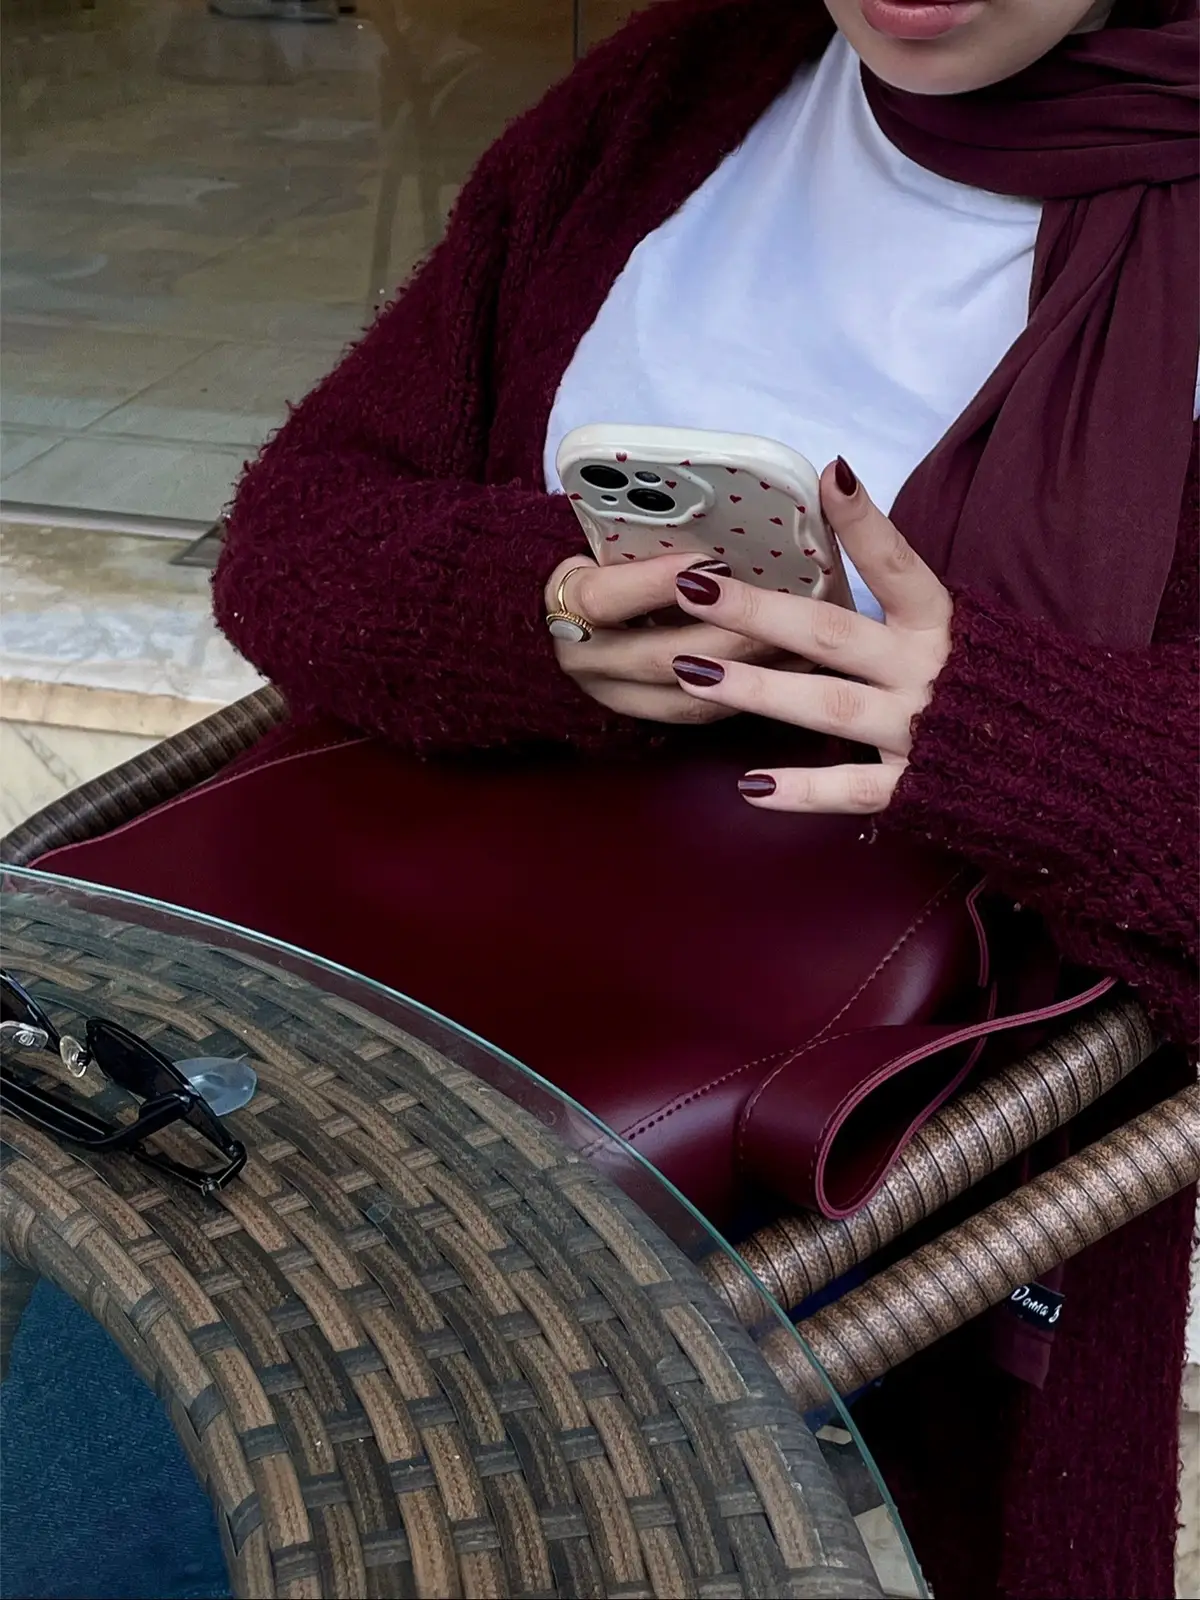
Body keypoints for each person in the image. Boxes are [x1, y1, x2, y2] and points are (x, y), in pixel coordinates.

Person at [211, 1, 1198, 1595]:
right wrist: (532, 617)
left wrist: (1007, 726)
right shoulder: (686, 87)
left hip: (843, 1176)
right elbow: (297, 533)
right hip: (379, 1040)